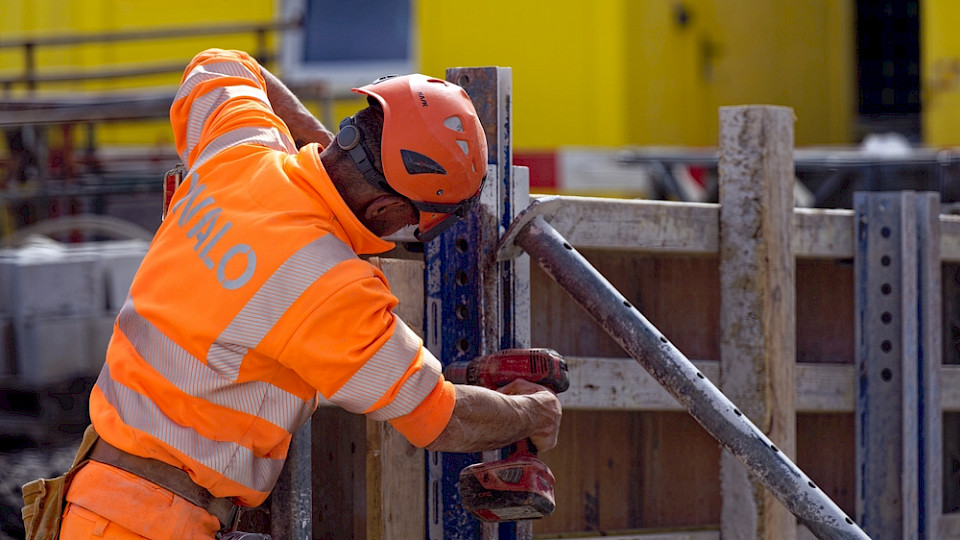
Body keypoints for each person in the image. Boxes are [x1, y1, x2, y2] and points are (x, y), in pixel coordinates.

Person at [49, 48, 561, 539]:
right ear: (384, 209)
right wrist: (533, 414)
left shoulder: (240, 149)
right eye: (417, 220)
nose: (407, 232)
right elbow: (442, 417)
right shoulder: (332, 287)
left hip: (92, 499)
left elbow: (221, 62)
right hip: (158, 524)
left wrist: (329, 146)